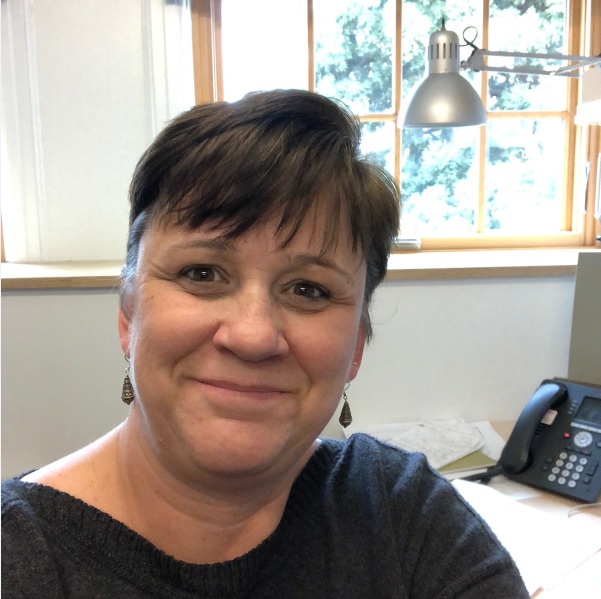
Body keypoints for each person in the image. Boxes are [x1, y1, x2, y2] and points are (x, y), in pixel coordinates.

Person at [1, 89, 528, 598]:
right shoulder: (18, 556)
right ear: (127, 313)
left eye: (308, 290)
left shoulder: (404, 516)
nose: (253, 337)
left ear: (357, 347)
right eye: (202, 273)